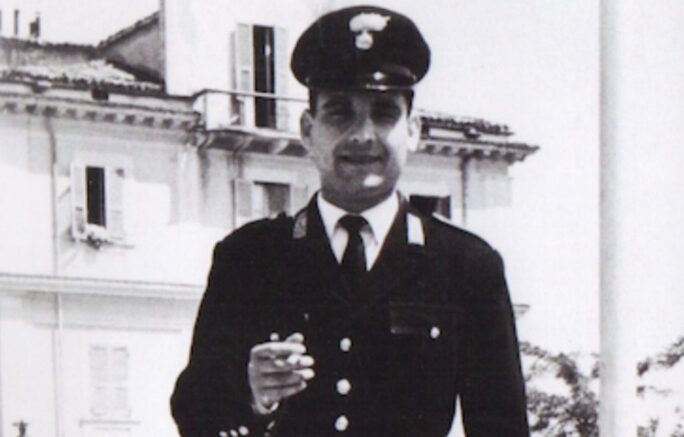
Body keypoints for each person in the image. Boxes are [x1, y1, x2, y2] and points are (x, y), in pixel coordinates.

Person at [171, 5, 529, 437]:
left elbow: (502, 427)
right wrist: (252, 393)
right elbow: (193, 413)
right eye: (340, 113)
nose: (362, 134)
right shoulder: (250, 257)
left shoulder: (466, 266)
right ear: (308, 130)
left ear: (413, 130)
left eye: (384, 113)